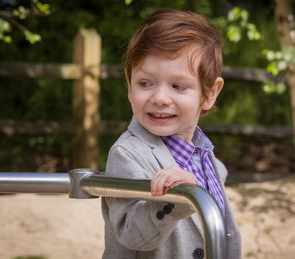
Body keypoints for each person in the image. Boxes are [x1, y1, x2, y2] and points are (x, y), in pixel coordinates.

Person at [101, 9, 241, 259]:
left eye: (178, 86)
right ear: (129, 85)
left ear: (209, 93)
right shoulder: (128, 154)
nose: (160, 98)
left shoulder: (210, 161)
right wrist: (176, 199)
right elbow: (131, 234)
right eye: (145, 83)